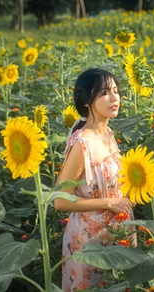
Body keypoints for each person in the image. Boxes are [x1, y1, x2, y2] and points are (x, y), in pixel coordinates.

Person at [54, 68, 134, 291]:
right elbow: (59, 201)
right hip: (89, 243)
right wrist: (108, 203)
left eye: (116, 91)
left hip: (119, 234)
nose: (114, 98)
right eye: (105, 93)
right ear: (87, 100)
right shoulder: (82, 144)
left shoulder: (108, 134)